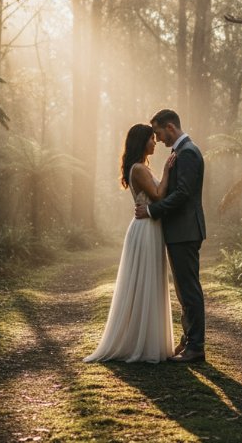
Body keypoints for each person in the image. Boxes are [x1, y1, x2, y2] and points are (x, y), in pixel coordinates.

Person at [84, 124, 177, 363]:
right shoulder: (138, 169)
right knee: (144, 282)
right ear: (141, 141)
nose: (155, 142)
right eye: (151, 139)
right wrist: (167, 171)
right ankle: (140, 343)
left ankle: (147, 340)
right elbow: (157, 195)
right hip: (145, 229)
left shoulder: (140, 167)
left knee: (150, 282)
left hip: (150, 227)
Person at [134, 109, 206, 363]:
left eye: (158, 132)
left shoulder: (187, 153)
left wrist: (152, 210)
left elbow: (183, 194)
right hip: (180, 231)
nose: (158, 138)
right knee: (184, 290)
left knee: (189, 290)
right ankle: (189, 341)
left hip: (185, 231)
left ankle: (196, 347)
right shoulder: (181, 152)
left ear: (171, 128)